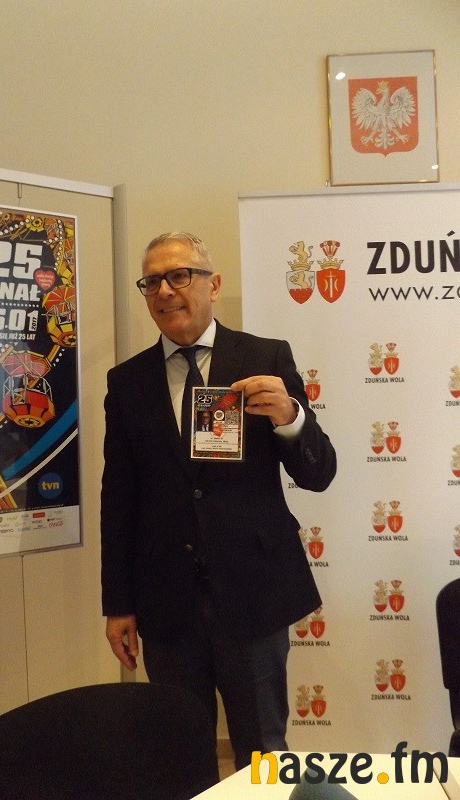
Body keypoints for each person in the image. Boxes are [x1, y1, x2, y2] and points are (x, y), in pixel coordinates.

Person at [100, 232, 336, 770]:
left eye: (179, 275)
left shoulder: (264, 358)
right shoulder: (127, 381)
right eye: (152, 282)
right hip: (166, 603)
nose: (165, 291)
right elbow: (119, 499)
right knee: (179, 757)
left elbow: (318, 473)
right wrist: (118, 602)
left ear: (212, 284)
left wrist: (290, 419)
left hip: (253, 593)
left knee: (263, 753)